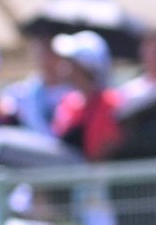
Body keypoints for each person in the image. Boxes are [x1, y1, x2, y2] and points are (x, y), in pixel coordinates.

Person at [48, 30, 124, 161]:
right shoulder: (68, 103)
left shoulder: (110, 103)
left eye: (70, 61)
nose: (63, 65)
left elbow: (102, 153)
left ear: (84, 67)